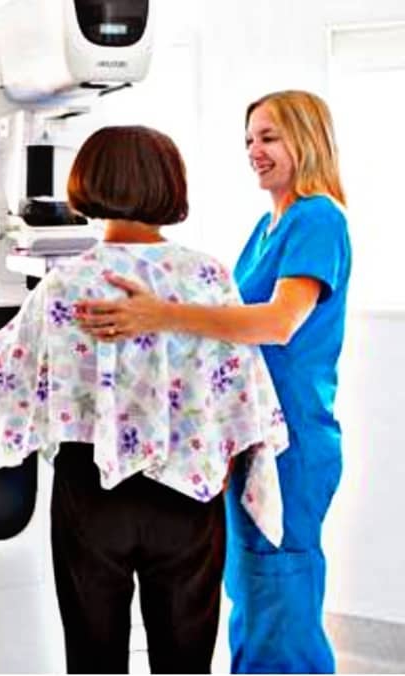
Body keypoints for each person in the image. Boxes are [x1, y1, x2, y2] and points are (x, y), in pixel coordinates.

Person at [0, 125, 288, 674]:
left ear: (88, 182)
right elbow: (239, 390)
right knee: (185, 659)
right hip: (187, 490)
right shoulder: (207, 276)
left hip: (91, 493)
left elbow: (6, 378)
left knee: (93, 656)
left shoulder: (66, 281)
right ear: (170, 184)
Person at [74, 91, 350, 673]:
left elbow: (277, 323)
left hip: (292, 438)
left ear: (308, 140)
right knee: (251, 588)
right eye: (249, 139)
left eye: (269, 137)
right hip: (251, 432)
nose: (255, 151)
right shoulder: (268, 226)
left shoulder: (318, 218)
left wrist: (161, 314)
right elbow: (225, 328)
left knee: (279, 590)